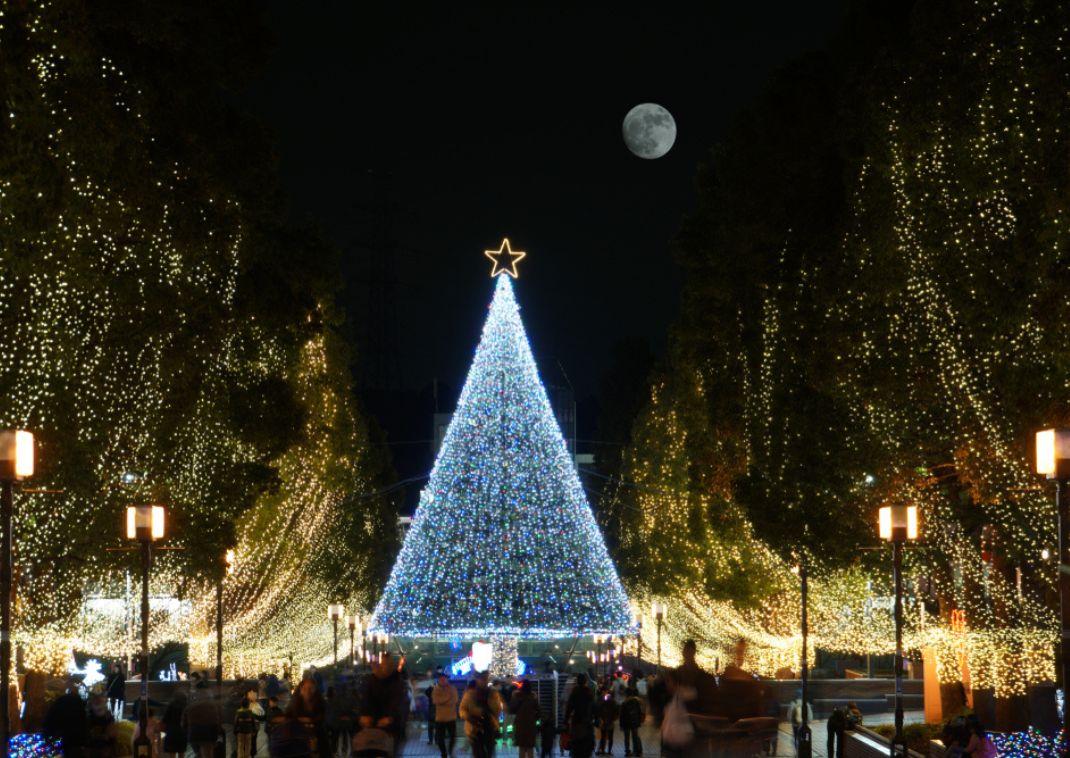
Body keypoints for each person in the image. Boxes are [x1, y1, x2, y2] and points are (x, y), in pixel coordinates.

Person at [360, 652, 409, 756]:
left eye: (386, 664)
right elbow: (366, 699)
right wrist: (364, 715)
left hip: (391, 726)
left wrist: (390, 717)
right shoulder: (371, 680)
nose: (383, 667)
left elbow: (398, 701)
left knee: (389, 750)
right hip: (373, 723)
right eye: (381, 664)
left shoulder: (397, 682)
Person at [460, 670, 503, 758]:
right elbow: (462, 710)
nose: (484, 681)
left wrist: (491, 704)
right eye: (482, 679)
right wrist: (470, 716)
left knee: (489, 753)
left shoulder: (493, 693)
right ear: (478, 680)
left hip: (489, 727)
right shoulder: (470, 694)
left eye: (486, 679)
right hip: (474, 728)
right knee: (478, 754)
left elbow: (497, 709)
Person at [44, 676, 89, 757]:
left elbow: (51, 718)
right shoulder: (79, 702)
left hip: (65, 736)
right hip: (74, 738)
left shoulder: (62, 701)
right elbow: (83, 721)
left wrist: (48, 733)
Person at [183, 681, 222, 758]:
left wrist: (186, 733)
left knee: (199, 753)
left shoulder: (192, 703)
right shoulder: (210, 705)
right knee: (207, 754)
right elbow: (215, 721)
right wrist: (215, 737)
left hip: (194, 733)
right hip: (206, 734)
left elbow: (184, 720)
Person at [565, 673, 596, 758]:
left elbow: (569, 707)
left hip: (577, 722)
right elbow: (594, 707)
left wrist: (565, 720)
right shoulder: (589, 692)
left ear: (577, 681)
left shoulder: (575, 692)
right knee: (587, 746)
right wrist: (596, 719)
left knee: (576, 745)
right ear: (585, 681)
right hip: (587, 723)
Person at [510, 680, 540, 758]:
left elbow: (512, 710)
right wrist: (534, 718)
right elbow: (539, 711)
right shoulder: (533, 697)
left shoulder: (517, 696)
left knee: (522, 747)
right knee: (530, 747)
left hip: (520, 724)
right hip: (530, 724)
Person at [433, 673, 459, 758]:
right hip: (440, 718)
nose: (443, 680)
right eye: (441, 679)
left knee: (453, 737)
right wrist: (447, 698)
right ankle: (443, 754)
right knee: (440, 739)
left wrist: (442, 701)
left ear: (447, 679)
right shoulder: (436, 690)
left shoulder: (452, 688)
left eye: (444, 679)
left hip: (451, 717)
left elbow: (455, 700)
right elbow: (436, 700)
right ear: (439, 680)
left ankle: (450, 752)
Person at [85, 693, 118, 758]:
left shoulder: (108, 717)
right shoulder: (89, 717)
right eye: (95, 701)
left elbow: (113, 734)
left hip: (104, 748)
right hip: (94, 748)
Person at [236, 687, 262, 758]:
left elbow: (261, 715)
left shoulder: (256, 703)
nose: (254, 695)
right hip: (246, 728)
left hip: (253, 727)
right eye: (251, 693)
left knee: (251, 743)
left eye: (254, 693)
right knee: (245, 744)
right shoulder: (244, 703)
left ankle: (251, 754)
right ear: (247, 695)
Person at [161, 690, 188, 758]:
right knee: (181, 752)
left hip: (171, 732)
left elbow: (165, 719)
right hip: (183, 732)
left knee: (172, 753)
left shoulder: (171, 706)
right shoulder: (186, 706)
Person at [619, 686, 644, 758]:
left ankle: (627, 752)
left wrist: (621, 725)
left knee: (626, 738)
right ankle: (638, 752)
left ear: (626, 694)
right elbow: (639, 711)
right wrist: (639, 721)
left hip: (626, 723)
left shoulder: (624, 702)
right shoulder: (636, 701)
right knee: (635, 737)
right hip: (635, 722)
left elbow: (622, 715)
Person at [788, 689, 812, 755]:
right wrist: (808, 722)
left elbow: (789, 716)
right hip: (803, 725)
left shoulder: (793, 703)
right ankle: (803, 751)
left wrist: (792, 721)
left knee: (796, 738)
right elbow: (810, 716)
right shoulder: (806, 703)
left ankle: (797, 752)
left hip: (795, 725)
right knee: (803, 738)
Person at [596, 686, 619, 756]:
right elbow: (616, 711)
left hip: (604, 721)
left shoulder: (602, 701)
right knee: (609, 737)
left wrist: (600, 718)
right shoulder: (612, 702)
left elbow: (598, 711)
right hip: (609, 721)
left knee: (604, 737)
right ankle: (607, 751)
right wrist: (614, 718)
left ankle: (603, 751)